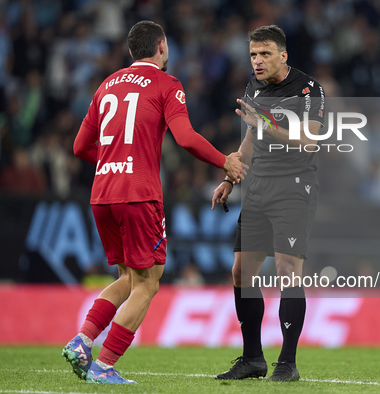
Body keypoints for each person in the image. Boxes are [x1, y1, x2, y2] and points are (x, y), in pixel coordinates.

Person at [63, 20, 242, 385]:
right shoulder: (167, 84)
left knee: (129, 278)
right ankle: (105, 364)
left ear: (131, 51)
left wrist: (115, 158)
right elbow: (186, 137)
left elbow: (80, 147)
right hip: (138, 194)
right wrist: (225, 160)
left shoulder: (106, 84)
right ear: (162, 46)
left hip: (102, 194)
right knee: (149, 284)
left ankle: (82, 341)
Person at [212, 25, 324, 382]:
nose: (257, 62)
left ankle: (287, 364)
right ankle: (252, 359)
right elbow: (250, 134)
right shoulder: (254, 87)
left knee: (288, 270)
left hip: (294, 188)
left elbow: (309, 141)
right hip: (258, 187)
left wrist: (263, 122)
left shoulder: (309, 90)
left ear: (283, 55)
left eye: (264, 54)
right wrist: (232, 177)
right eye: (253, 55)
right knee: (241, 271)